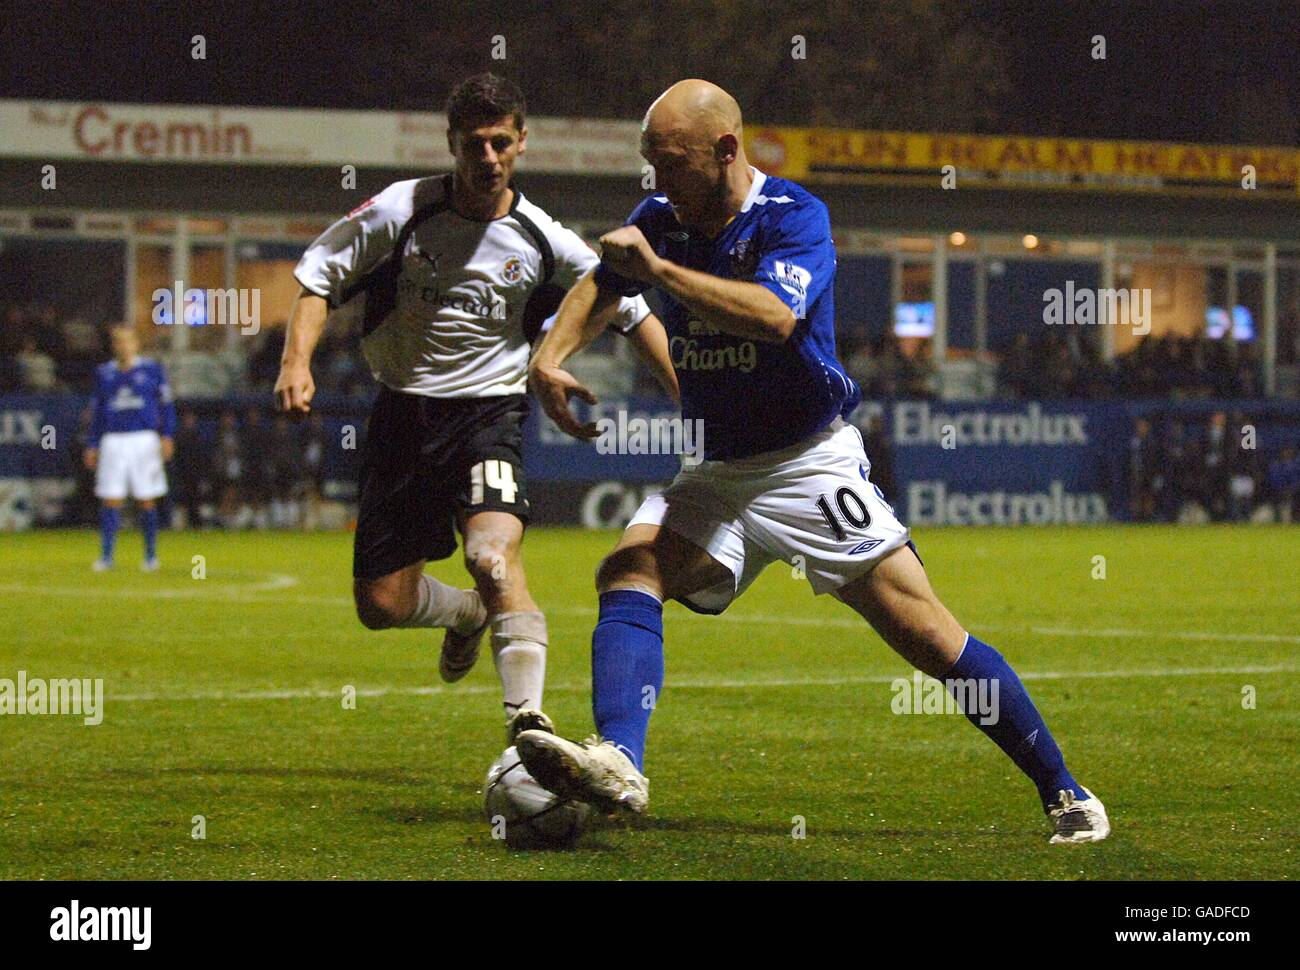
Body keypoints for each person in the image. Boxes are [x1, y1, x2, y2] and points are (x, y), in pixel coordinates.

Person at [522, 79, 1109, 844]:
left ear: (725, 151)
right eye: (650, 166)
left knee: (929, 637)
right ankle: (619, 762)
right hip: (718, 469)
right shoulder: (662, 218)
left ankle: (1066, 791)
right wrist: (549, 360)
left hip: (808, 463)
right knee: (631, 570)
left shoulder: (793, 216)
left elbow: (774, 317)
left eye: (670, 164)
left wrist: (659, 273)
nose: (656, 183)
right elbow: (603, 281)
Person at [274, 73, 675, 741]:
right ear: (452, 145)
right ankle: (464, 614)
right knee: (381, 604)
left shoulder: (546, 241)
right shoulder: (400, 212)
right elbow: (318, 278)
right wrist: (296, 362)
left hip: (490, 416)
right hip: (403, 418)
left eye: (498, 143)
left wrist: (692, 404)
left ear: (521, 142)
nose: (486, 158)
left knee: (492, 556)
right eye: (472, 145)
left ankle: (529, 730)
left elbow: (634, 311)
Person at [84, 324, 176, 571]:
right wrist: (92, 444)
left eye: (127, 341)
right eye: (117, 341)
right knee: (110, 499)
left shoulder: (152, 370)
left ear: (136, 344)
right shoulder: (103, 373)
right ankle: (106, 556)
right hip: (113, 440)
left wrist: (166, 435)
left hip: (143, 439)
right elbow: (97, 412)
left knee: (146, 499)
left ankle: (150, 555)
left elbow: (166, 406)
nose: (122, 346)